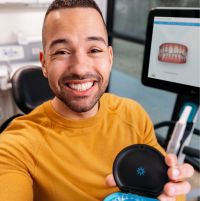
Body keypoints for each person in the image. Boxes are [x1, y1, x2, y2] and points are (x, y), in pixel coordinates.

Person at [0, 0, 194, 201]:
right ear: (44, 63)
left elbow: (170, 191)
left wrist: (170, 189)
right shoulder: (15, 147)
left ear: (109, 57)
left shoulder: (132, 115)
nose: (80, 68)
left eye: (94, 50)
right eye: (61, 52)